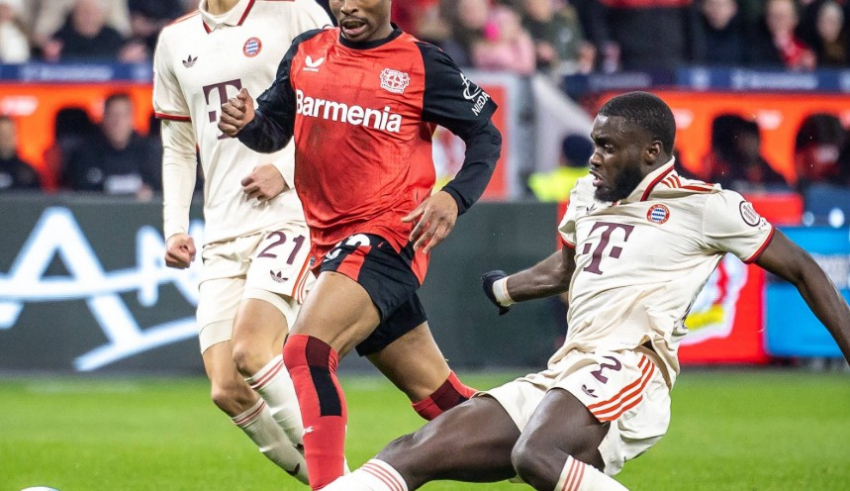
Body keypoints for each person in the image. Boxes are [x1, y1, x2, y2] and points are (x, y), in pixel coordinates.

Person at [318, 91, 850, 491]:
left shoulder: (707, 206)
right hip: (568, 370)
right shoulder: (588, 196)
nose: (594, 158)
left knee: (537, 455)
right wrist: (505, 289)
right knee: (411, 451)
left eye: (608, 147)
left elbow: (804, 269)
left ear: (652, 152)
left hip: (632, 365)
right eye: (595, 144)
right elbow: (567, 268)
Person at [217, 0, 502, 487]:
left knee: (306, 352)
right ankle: (547, 448)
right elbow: (273, 132)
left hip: (390, 234)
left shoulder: (423, 63)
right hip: (329, 245)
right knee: (442, 400)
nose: (346, 6)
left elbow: (486, 136)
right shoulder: (307, 51)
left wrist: (454, 197)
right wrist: (247, 124)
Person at [152, 0, 332, 484]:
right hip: (222, 231)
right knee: (227, 388)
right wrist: (175, 226)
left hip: (291, 215)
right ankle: (335, 480)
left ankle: (342, 480)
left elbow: (339, 105)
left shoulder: (294, 12)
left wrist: (287, 170)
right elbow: (178, 144)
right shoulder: (175, 40)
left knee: (252, 349)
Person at [62, 93, 160, 198]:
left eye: (124, 115)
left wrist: (150, 193)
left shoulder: (151, 153)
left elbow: (161, 189)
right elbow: (79, 193)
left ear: (132, 119)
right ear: (103, 118)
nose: (118, 122)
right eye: (113, 115)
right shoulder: (84, 154)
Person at [0, 116, 41, 191]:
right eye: (2, 134)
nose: (6, 138)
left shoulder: (27, 172)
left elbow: (36, 197)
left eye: (10, 133)